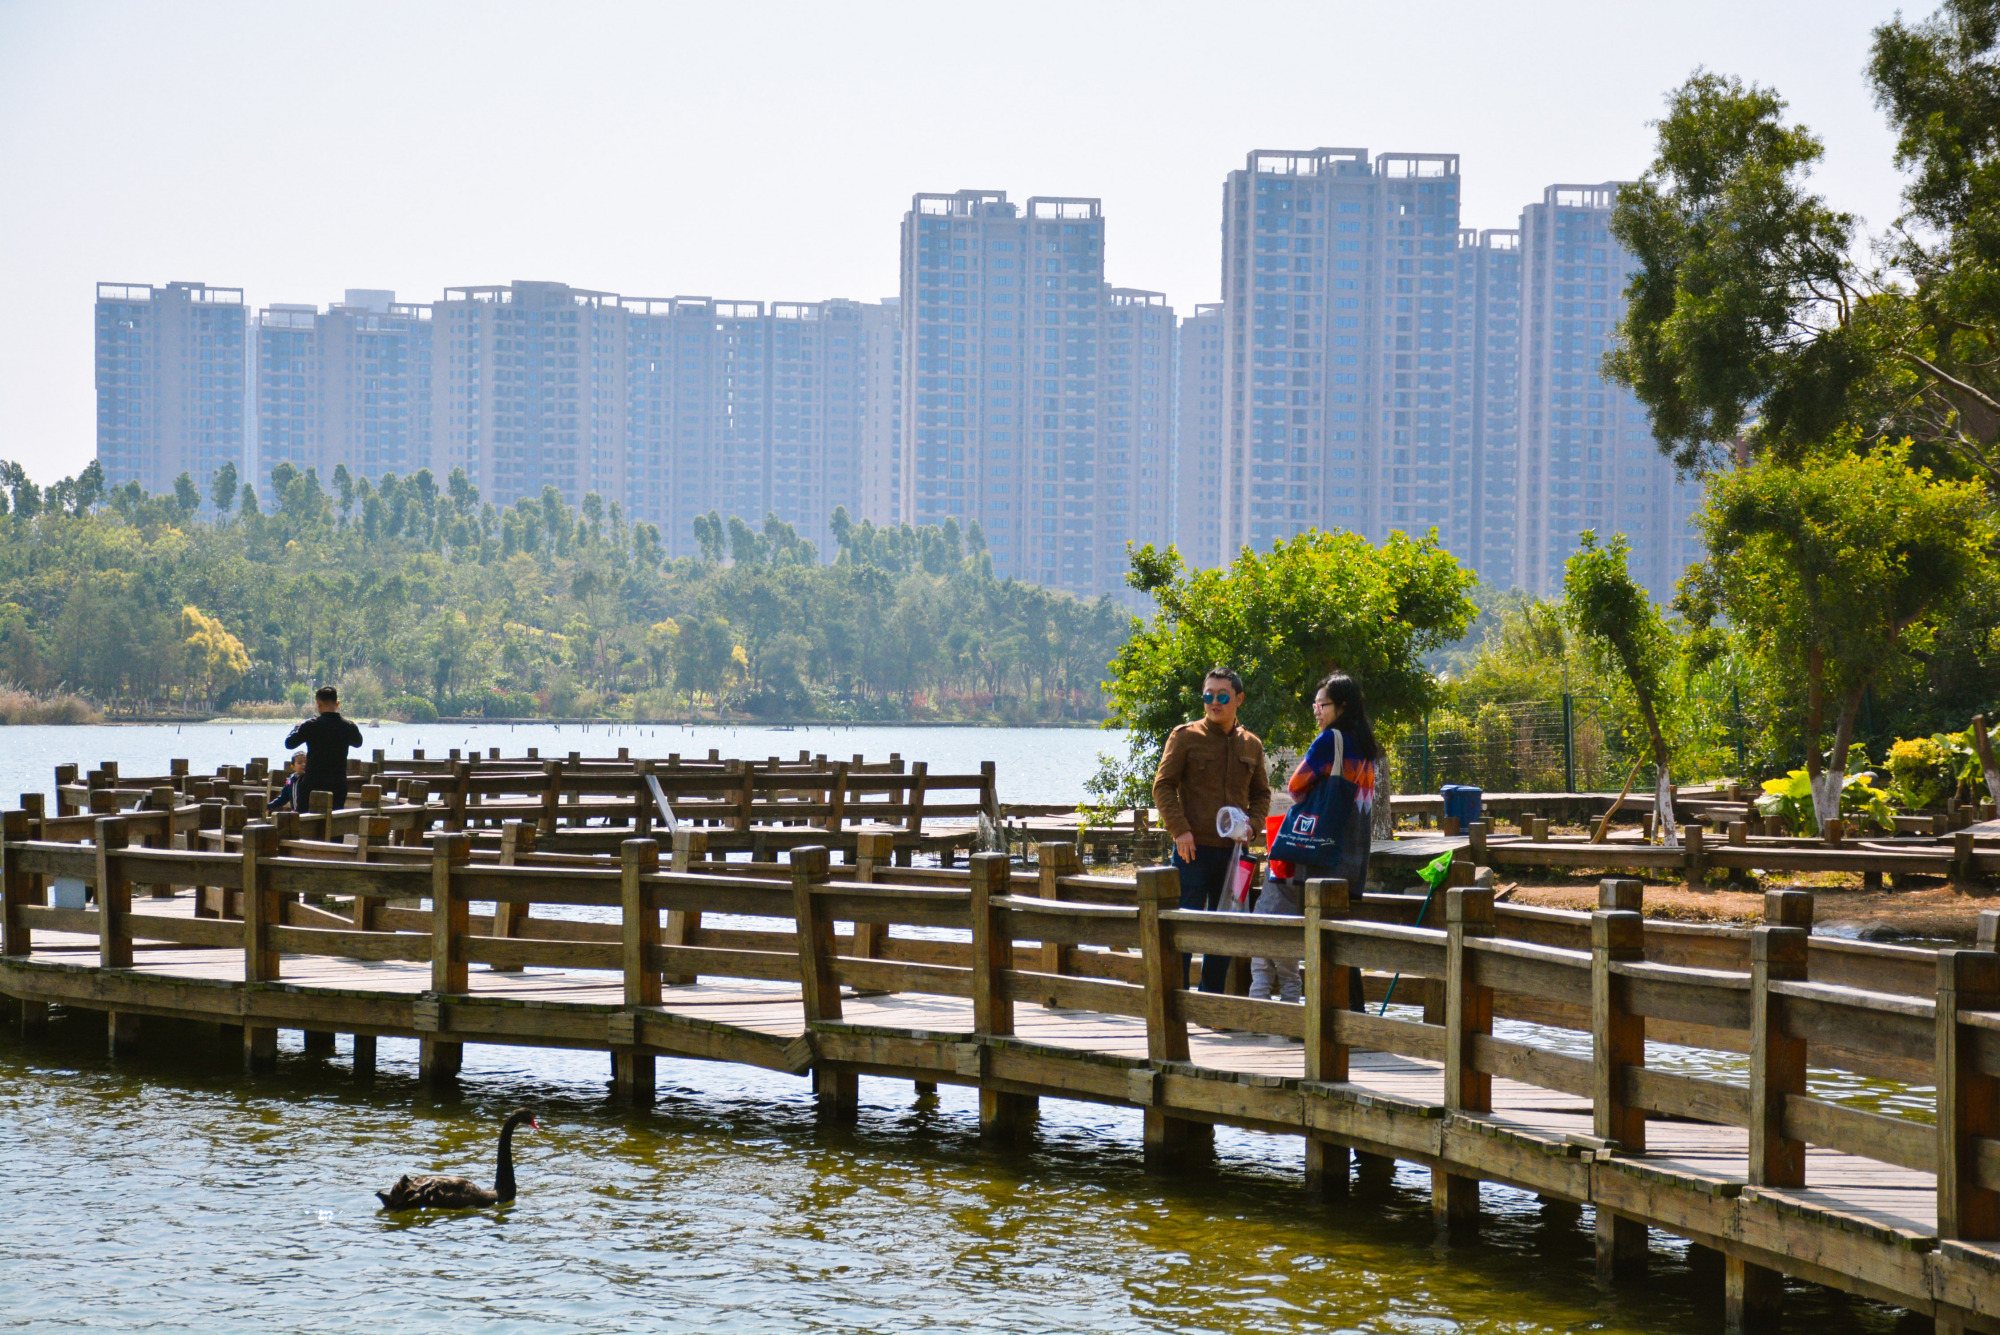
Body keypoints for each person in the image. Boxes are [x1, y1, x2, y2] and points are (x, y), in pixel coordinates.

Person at [1260, 671, 1381, 1006]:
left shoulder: (1330, 740)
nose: (1316, 710)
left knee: (1320, 937)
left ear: (1341, 706)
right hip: (1354, 851)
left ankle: (1327, 1020)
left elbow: (1297, 785)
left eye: (1322, 704)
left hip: (1324, 850)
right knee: (1340, 940)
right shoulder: (1366, 745)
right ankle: (1352, 1016)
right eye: (1315, 704)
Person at [1153, 667, 1271, 993]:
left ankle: (1211, 1004)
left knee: (1226, 931)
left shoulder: (1252, 745)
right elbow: (1162, 787)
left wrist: (1254, 826)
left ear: (1239, 699)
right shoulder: (1185, 736)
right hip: (1192, 852)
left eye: (1222, 696)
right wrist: (1180, 831)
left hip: (1236, 855)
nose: (1213, 702)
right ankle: (1175, 1005)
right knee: (1184, 929)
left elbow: (1262, 795)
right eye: (1208, 695)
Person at [285, 686, 363, 813]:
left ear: (318, 704)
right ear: (337, 704)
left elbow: (289, 743)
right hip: (338, 783)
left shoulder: (310, 725)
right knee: (336, 823)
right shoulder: (348, 726)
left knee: (305, 821)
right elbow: (358, 742)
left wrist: (296, 728)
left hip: (313, 782)